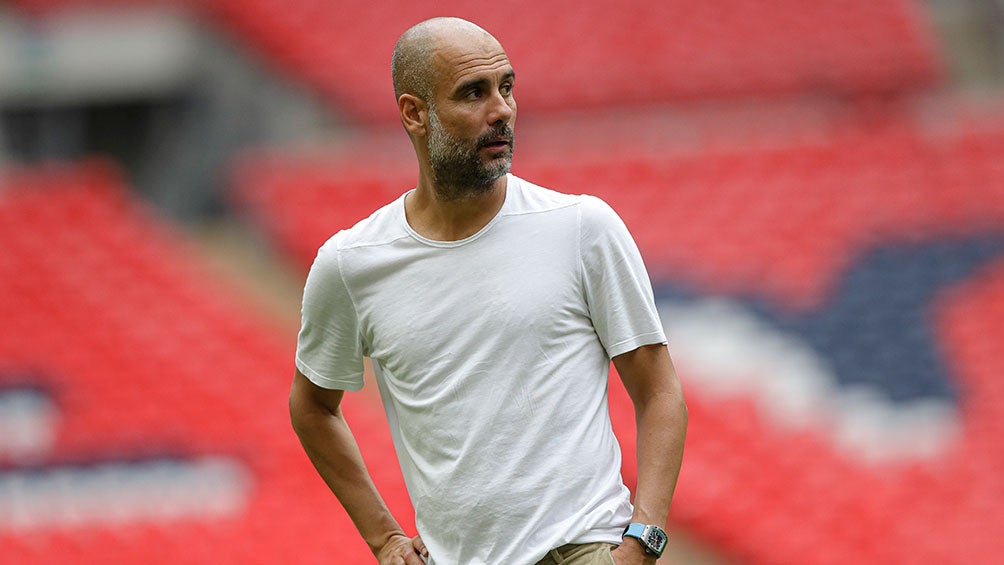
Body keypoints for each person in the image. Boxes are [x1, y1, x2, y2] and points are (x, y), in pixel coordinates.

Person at [288, 16, 687, 565]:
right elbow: (312, 408)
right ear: (414, 113)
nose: (500, 109)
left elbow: (660, 391)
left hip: (583, 548)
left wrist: (645, 540)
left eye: (506, 87)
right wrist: (383, 537)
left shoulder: (581, 226)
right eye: (473, 93)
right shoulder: (350, 264)